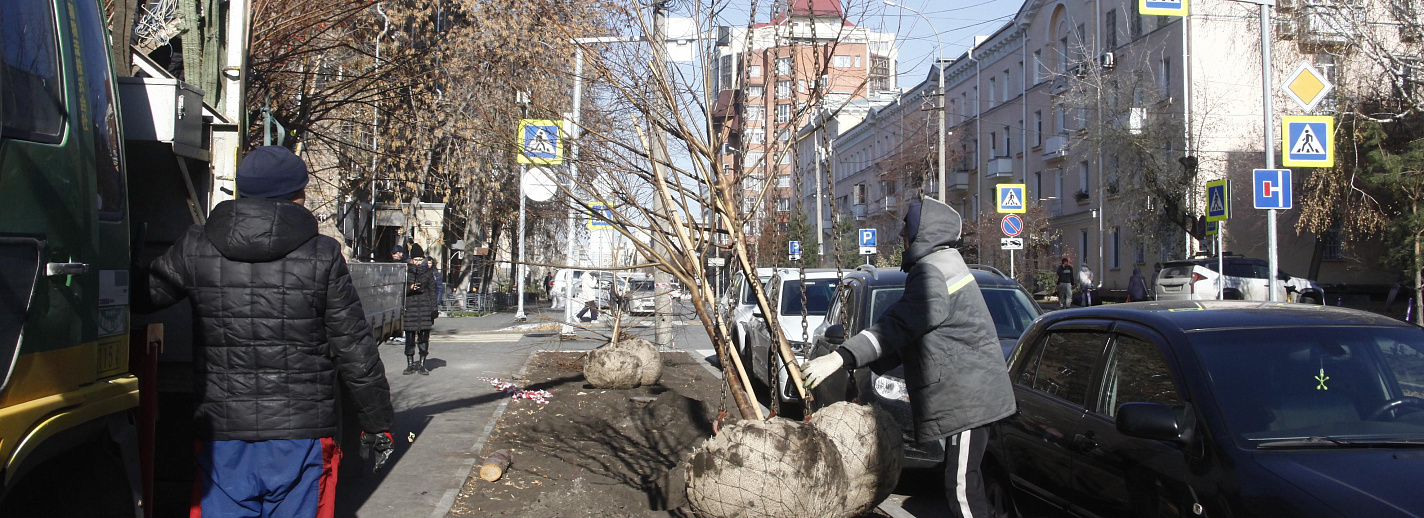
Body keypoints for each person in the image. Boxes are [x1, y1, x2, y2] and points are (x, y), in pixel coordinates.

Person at [144, 146, 394, 517]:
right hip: (301, 432)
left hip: (222, 435)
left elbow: (146, 293)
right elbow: (355, 349)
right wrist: (378, 424)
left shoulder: (197, 246)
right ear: (299, 194)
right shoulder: (322, 254)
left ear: (243, 191)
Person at [802, 197, 1016, 518]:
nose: (901, 233)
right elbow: (916, 332)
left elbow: (900, 324)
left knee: (962, 488)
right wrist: (867, 362)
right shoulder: (944, 264)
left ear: (922, 232)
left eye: (907, 226)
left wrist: (842, 357)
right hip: (976, 394)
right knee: (967, 483)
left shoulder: (932, 272)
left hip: (972, 398)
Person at [403, 245, 438, 375]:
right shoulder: (406, 272)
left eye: (420, 259)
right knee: (410, 338)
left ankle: (422, 364)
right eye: (415, 259)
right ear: (411, 260)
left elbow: (433, 291)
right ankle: (410, 364)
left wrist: (434, 309)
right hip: (410, 307)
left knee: (424, 338)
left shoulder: (428, 273)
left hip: (424, 307)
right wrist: (410, 288)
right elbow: (400, 291)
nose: (418, 262)